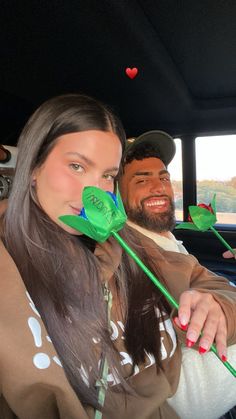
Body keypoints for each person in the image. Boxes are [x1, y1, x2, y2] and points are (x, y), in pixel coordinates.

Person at [0, 96, 236, 419]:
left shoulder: (121, 241)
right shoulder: (9, 265)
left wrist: (217, 307)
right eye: (77, 166)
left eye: (107, 175)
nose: (92, 192)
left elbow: (206, 281)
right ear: (33, 168)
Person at [119, 130, 236, 419]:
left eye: (164, 177)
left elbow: (214, 283)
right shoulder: (125, 249)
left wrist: (220, 305)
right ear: (116, 193)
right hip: (172, 393)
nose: (159, 187)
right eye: (142, 179)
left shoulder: (166, 237)